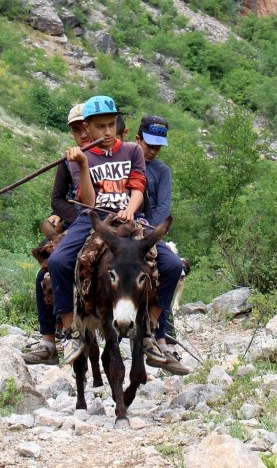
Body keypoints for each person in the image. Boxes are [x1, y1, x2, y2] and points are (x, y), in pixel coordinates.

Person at [49, 95, 184, 369]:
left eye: (111, 125)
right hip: (94, 219)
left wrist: (130, 210)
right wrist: (83, 165)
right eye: (100, 127)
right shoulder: (80, 156)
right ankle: (70, 331)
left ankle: (150, 328)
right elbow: (88, 202)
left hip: (131, 217)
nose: (107, 132)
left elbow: (138, 188)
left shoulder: (133, 151)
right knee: (58, 261)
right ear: (87, 128)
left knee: (172, 265)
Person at [22, 103, 90, 365]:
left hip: (112, 222)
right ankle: (49, 341)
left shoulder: (115, 156)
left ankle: (157, 339)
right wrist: (76, 218)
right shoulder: (68, 160)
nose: (83, 134)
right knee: (45, 272)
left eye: (86, 127)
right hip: (79, 223)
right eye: (76, 130)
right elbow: (57, 199)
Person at [134, 115, 190, 375]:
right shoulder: (125, 161)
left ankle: (161, 335)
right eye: (149, 145)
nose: (153, 151)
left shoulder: (162, 171)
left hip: (150, 231)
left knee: (171, 267)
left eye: (158, 146)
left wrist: (150, 233)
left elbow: (163, 207)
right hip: (123, 226)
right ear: (138, 139)